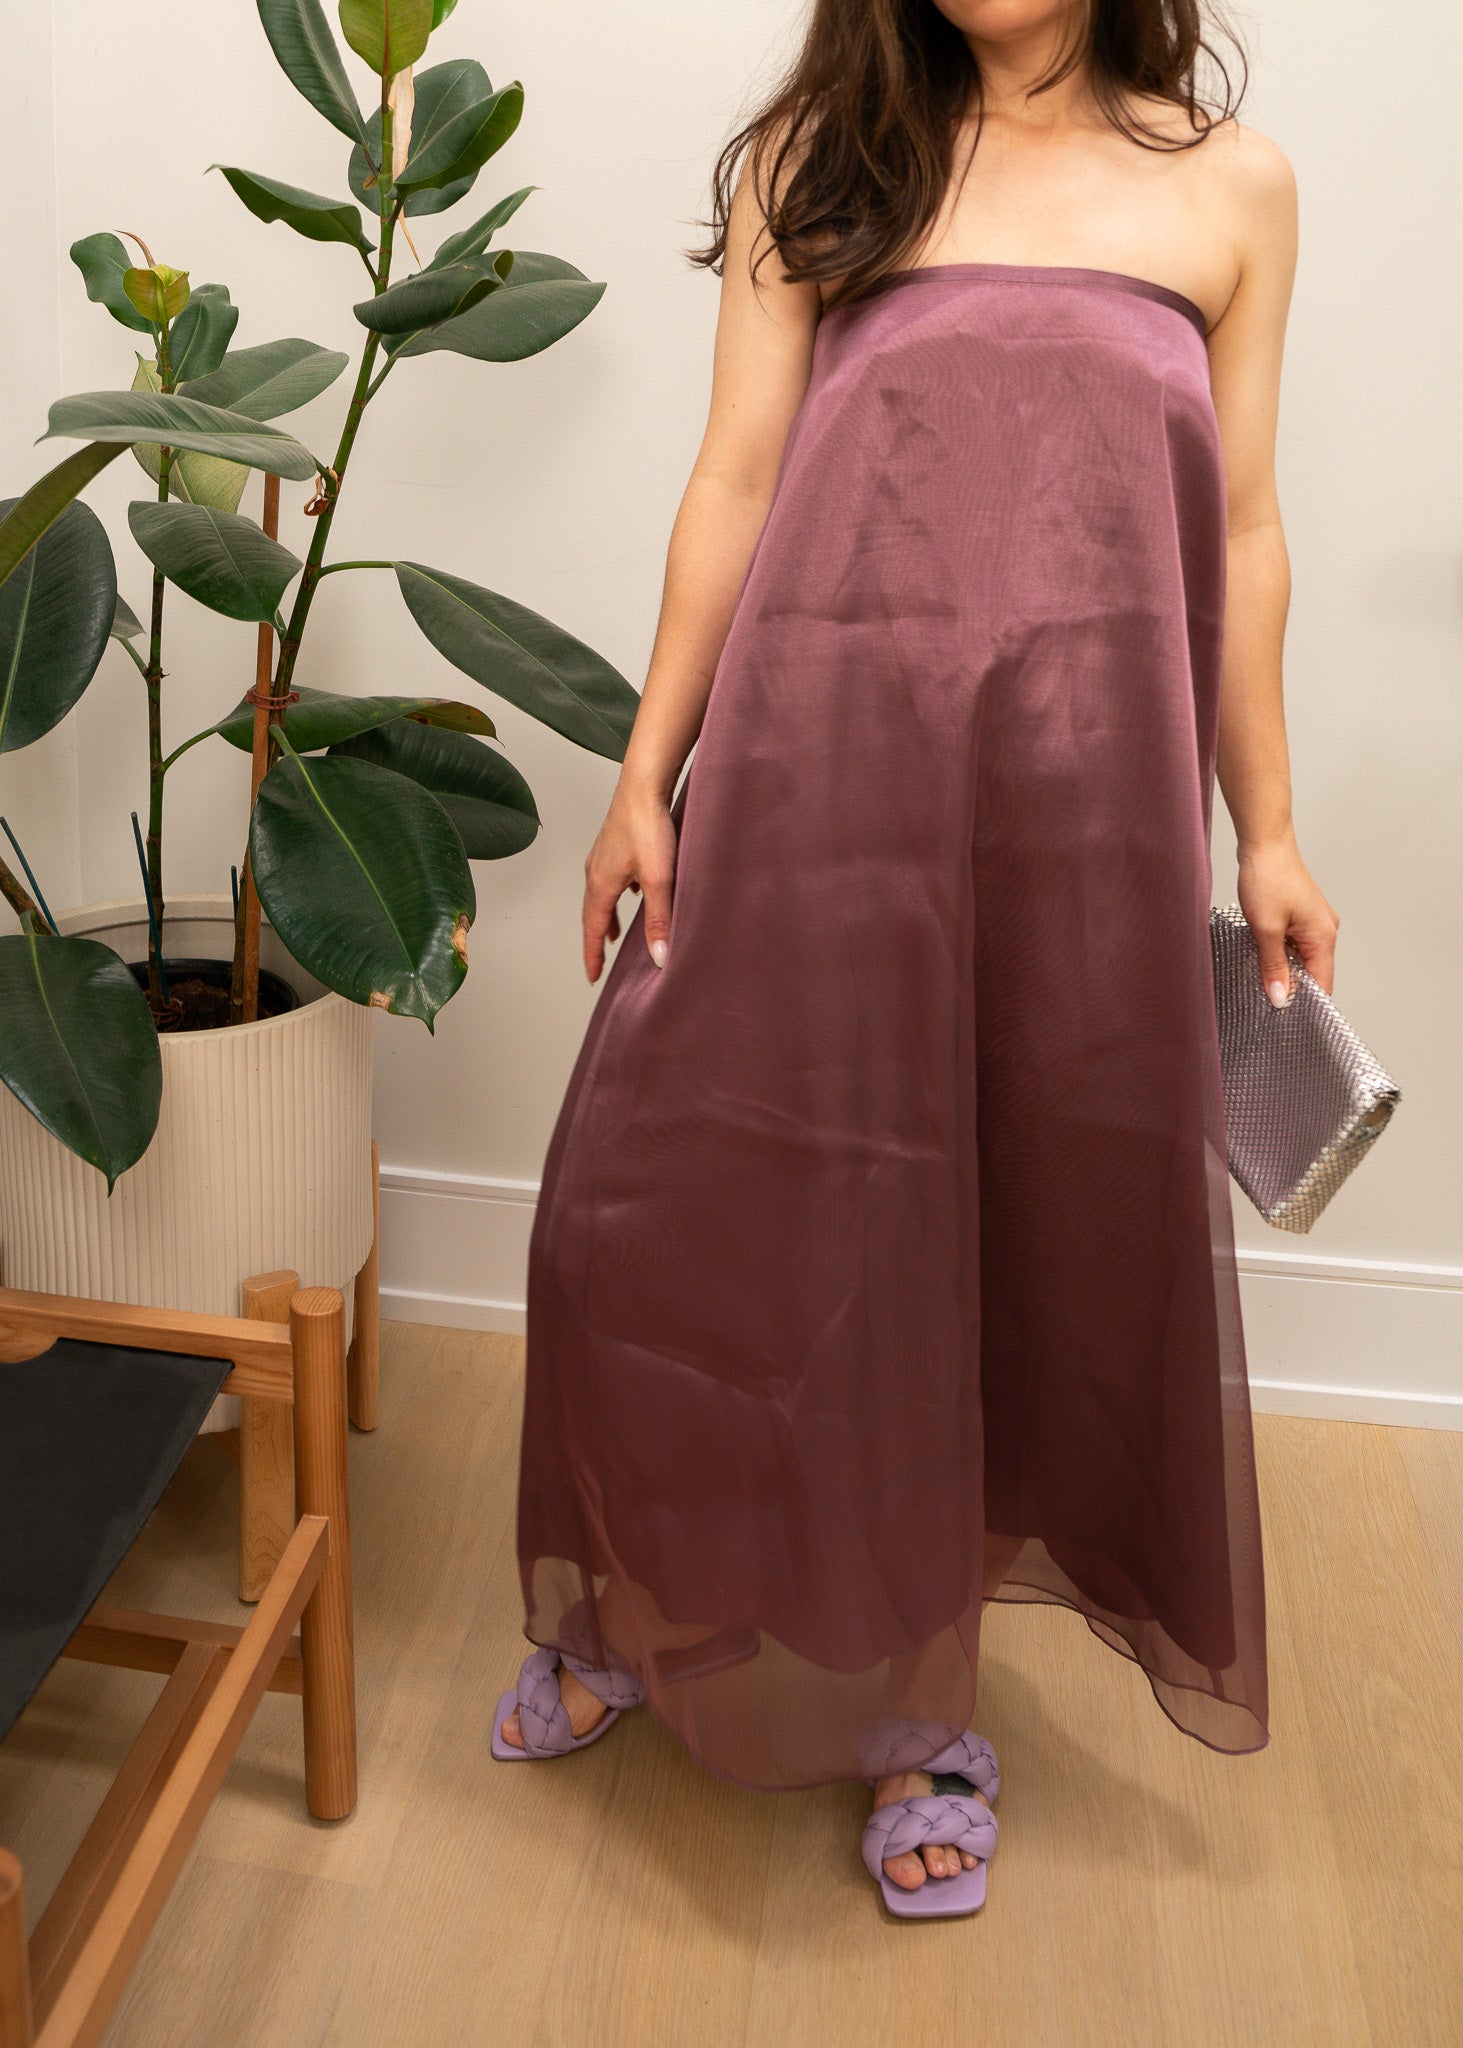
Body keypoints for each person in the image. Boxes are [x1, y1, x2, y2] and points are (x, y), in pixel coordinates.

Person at [494, 0, 1339, 1917]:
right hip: (819, 770)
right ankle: (638, 1603)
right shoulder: (830, 159)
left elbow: (1246, 524)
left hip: (1082, 822)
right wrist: (648, 774)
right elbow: (734, 478)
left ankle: (920, 1712)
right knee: (673, 1202)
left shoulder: (1233, 190)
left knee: (996, 1240)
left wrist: (1268, 824)